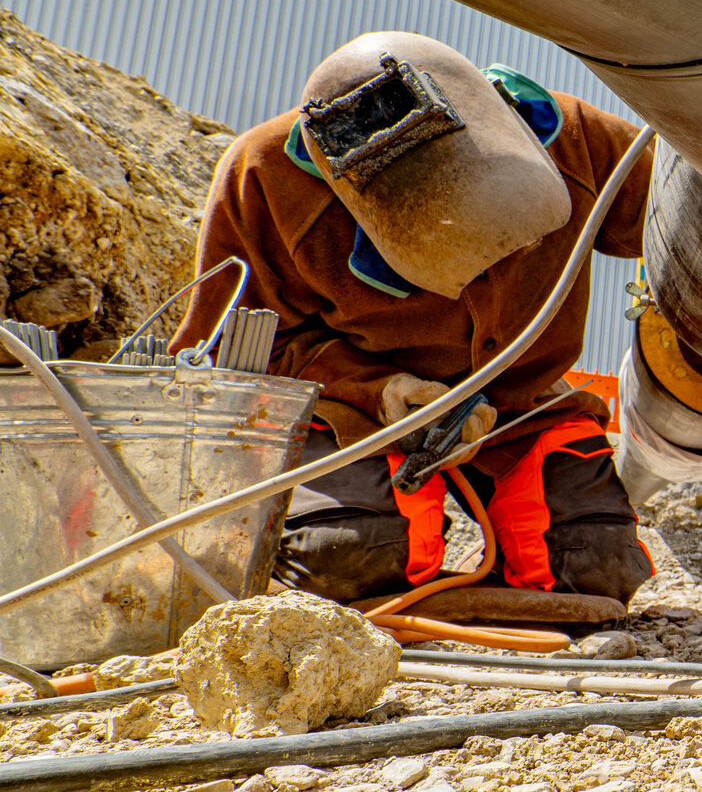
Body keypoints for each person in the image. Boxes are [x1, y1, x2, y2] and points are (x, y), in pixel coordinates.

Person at [171, 31, 656, 606]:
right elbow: (235, 355)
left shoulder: (574, 139)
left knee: (595, 567)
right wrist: (382, 392)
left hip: (522, 405)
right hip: (356, 412)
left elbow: (693, 232)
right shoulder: (268, 178)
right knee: (348, 558)